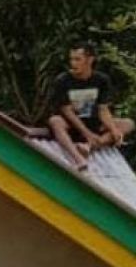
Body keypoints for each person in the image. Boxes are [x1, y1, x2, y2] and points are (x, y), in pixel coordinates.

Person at [48, 42, 134, 172]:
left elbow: (103, 109)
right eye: (71, 59)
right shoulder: (62, 80)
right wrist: (86, 133)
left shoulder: (101, 80)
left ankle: (88, 147)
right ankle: (78, 159)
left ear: (90, 60)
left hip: (94, 123)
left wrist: (113, 130)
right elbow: (67, 111)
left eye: (78, 59)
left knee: (128, 124)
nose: (73, 63)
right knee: (55, 121)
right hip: (72, 124)